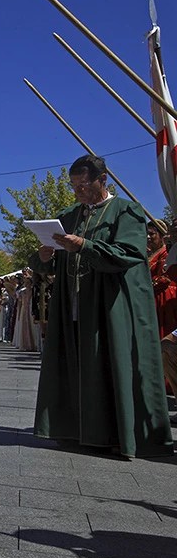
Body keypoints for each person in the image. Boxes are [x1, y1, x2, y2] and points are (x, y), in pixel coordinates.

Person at [31, 155, 172, 458]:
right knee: (78, 363)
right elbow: (51, 260)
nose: (78, 191)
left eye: (83, 185)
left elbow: (129, 253)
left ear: (103, 179)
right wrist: (44, 256)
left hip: (109, 305)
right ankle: (77, 429)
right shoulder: (69, 215)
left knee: (108, 362)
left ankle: (114, 434)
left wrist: (84, 245)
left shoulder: (125, 211)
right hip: (74, 303)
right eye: (74, 186)